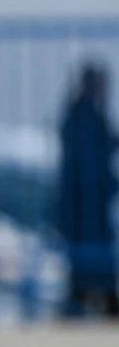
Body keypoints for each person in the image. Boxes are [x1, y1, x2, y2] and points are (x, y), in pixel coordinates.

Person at [57, 63, 118, 317]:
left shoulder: (91, 116)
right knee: (87, 266)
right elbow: (91, 170)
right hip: (85, 212)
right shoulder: (82, 118)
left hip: (91, 211)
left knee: (96, 265)